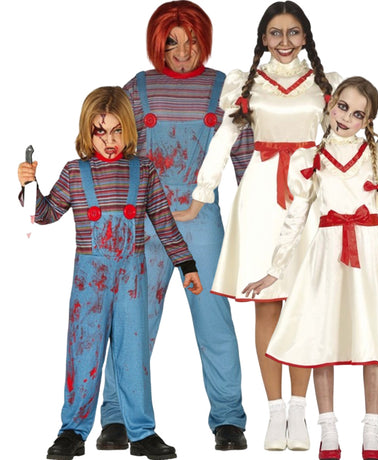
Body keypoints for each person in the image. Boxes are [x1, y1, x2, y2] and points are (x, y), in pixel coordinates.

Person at [243, 76, 378, 460]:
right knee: (323, 342)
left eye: (358, 114)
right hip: (327, 258)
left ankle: (372, 430)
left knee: (371, 342)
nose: (346, 117)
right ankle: (328, 429)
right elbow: (295, 217)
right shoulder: (311, 159)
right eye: (343, 106)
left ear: (367, 121)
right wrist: (275, 270)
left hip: (369, 258)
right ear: (331, 104)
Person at [175, 0, 341, 451]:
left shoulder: (326, 83)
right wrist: (201, 194)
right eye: (275, 33)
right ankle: (275, 411)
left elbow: (341, 143)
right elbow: (224, 138)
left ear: (305, 37)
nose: (284, 41)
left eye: (292, 32)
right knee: (266, 305)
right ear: (263, 39)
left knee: (305, 303)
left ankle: (300, 411)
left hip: (309, 194)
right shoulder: (245, 84)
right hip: (261, 195)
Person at [97, 1, 253, 452]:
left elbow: (245, 159)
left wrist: (258, 222)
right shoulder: (138, 89)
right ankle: (116, 416)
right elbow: (112, 150)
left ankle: (229, 419)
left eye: (191, 41)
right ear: (157, 45)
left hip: (201, 221)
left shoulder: (225, 89)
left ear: (204, 39)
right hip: (144, 223)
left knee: (214, 320)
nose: (182, 52)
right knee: (134, 320)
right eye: (171, 43)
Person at [17, 86, 202, 460]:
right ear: (87, 132)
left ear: (129, 129)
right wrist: (28, 186)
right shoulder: (75, 172)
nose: (110, 140)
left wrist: (187, 264)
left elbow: (164, 223)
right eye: (100, 131)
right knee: (83, 352)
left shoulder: (144, 170)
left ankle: (142, 432)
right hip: (90, 280)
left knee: (134, 355)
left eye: (117, 130)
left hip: (132, 278)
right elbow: (44, 215)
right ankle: (72, 431)